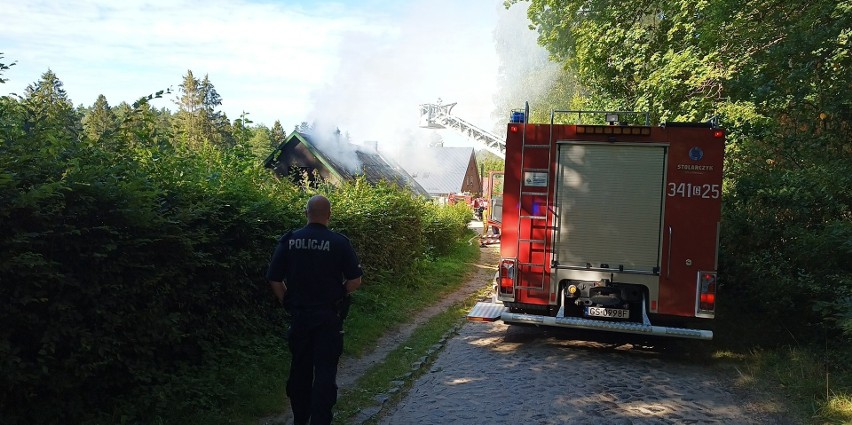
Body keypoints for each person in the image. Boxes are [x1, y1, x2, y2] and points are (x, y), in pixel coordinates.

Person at [266, 195, 363, 425]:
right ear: (329, 215)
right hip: (328, 319)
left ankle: (300, 418)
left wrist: (286, 302)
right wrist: (341, 293)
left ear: (306, 213)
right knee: (325, 372)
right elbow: (355, 279)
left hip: (300, 318)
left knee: (300, 370)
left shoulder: (289, 241)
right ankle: (321, 420)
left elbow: (274, 278)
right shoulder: (339, 243)